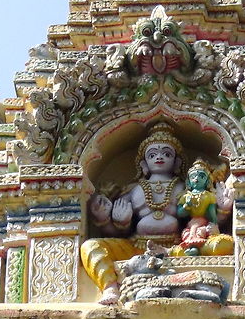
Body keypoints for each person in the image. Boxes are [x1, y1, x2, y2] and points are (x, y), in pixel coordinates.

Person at [80, 123, 232, 305]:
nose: (159, 157)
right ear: (144, 163)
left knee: (224, 245)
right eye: (153, 154)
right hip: (136, 247)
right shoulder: (132, 190)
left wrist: (223, 209)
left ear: (176, 162)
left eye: (166, 154)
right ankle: (111, 287)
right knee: (89, 246)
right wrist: (106, 221)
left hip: (175, 248)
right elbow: (117, 232)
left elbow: (204, 220)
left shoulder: (185, 188)